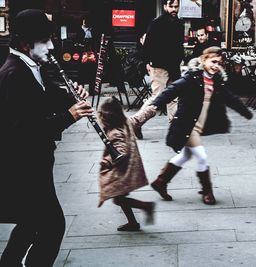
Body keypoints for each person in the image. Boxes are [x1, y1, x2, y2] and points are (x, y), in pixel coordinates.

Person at [0, 9, 93, 266]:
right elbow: (22, 130)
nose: (51, 46)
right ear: (25, 43)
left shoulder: (29, 66)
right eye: (45, 41)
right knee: (52, 225)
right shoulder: (14, 74)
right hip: (24, 165)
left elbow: (47, 93)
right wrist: (70, 116)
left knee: (31, 222)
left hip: (36, 162)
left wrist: (71, 96)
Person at [131, 47, 253, 205]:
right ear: (203, 60)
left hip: (198, 124)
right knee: (201, 156)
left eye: (219, 63)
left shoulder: (216, 80)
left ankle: (161, 182)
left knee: (186, 155)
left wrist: (244, 111)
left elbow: (228, 97)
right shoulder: (192, 77)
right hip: (186, 123)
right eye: (213, 61)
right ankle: (207, 191)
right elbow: (171, 90)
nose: (216, 65)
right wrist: (156, 105)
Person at [97, 97, 155, 232]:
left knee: (118, 199)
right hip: (130, 167)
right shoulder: (126, 122)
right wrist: (151, 110)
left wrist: (105, 162)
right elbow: (139, 117)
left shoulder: (115, 132)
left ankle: (146, 206)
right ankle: (132, 222)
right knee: (120, 196)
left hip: (122, 170)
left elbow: (120, 150)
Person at [135, 0, 184, 139]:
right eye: (171, 6)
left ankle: (174, 128)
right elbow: (147, 45)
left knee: (173, 98)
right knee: (157, 98)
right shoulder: (157, 23)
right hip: (160, 67)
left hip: (174, 67)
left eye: (176, 6)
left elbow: (179, 45)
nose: (174, 9)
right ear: (165, 6)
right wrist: (147, 63)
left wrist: (180, 59)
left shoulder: (179, 24)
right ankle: (136, 122)